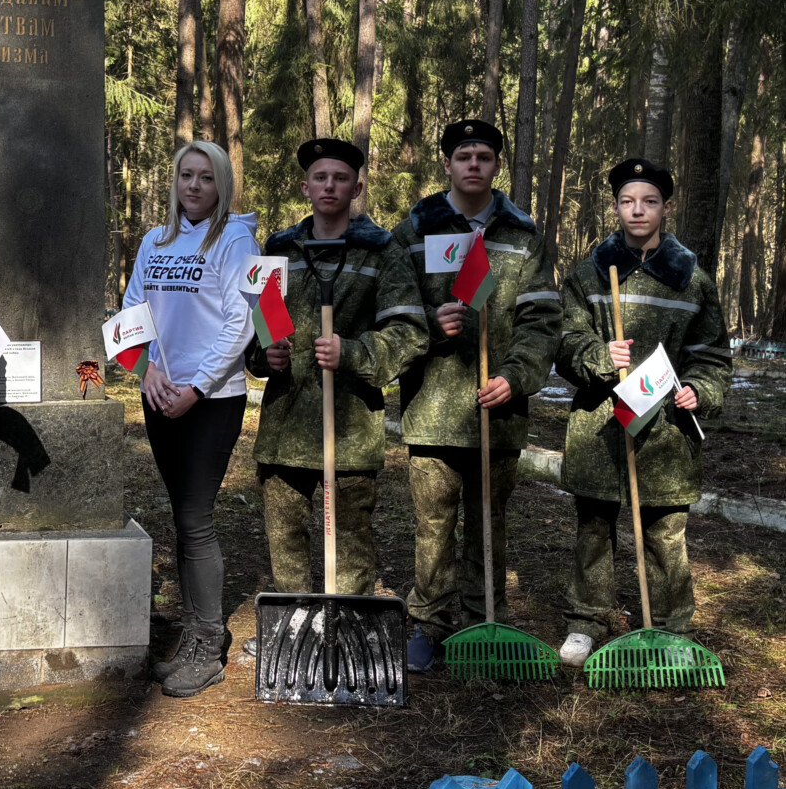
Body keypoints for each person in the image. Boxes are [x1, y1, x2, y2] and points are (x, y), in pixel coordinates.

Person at [390, 120, 562, 673]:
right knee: (433, 526)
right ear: (446, 164)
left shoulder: (523, 235)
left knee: (490, 520)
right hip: (433, 409)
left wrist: (516, 375)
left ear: (496, 165)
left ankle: (484, 617)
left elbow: (542, 319)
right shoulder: (414, 231)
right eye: (463, 155)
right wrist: (430, 325)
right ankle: (429, 620)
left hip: (498, 407)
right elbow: (392, 310)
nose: (472, 164)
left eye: (483, 156)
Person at [246, 139, 427, 640]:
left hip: (349, 425)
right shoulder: (280, 250)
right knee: (284, 529)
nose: (330, 186)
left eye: (341, 178)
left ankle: (347, 623)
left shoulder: (382, 251)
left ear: (357, 187)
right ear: (306, 187)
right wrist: (265, 356)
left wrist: (354, 352)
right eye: (320, 178)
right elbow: (259, 324)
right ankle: (292, 624)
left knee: (349, 536)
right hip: (286, 422)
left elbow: (410, 331)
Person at [554, 159, 731, 666]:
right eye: (628, 201)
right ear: (615, 207)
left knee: (665, 532)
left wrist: (700, 388)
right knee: (594, 528)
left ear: (666, 208)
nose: (638, 210)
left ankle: (673, 629)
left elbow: (712, 354)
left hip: (667, 429)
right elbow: (564, 340)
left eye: (649, 201)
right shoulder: (588, 273)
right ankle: (587, 620)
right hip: (601, 424)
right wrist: (597, 354)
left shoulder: (693, 281)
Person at [123, 141, 258, 697]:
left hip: (213, 399)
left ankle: (208, 641)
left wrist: (198, 387)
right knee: (182, 517)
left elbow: (241, 322)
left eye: (206, 177)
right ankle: (193, 629)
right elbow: (132, 309)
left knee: (197, 518)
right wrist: (147, 369)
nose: (194, 186)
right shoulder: (155, 240)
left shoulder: (236, 239)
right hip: (160, 394)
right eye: (186, 175)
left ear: (221, 184)